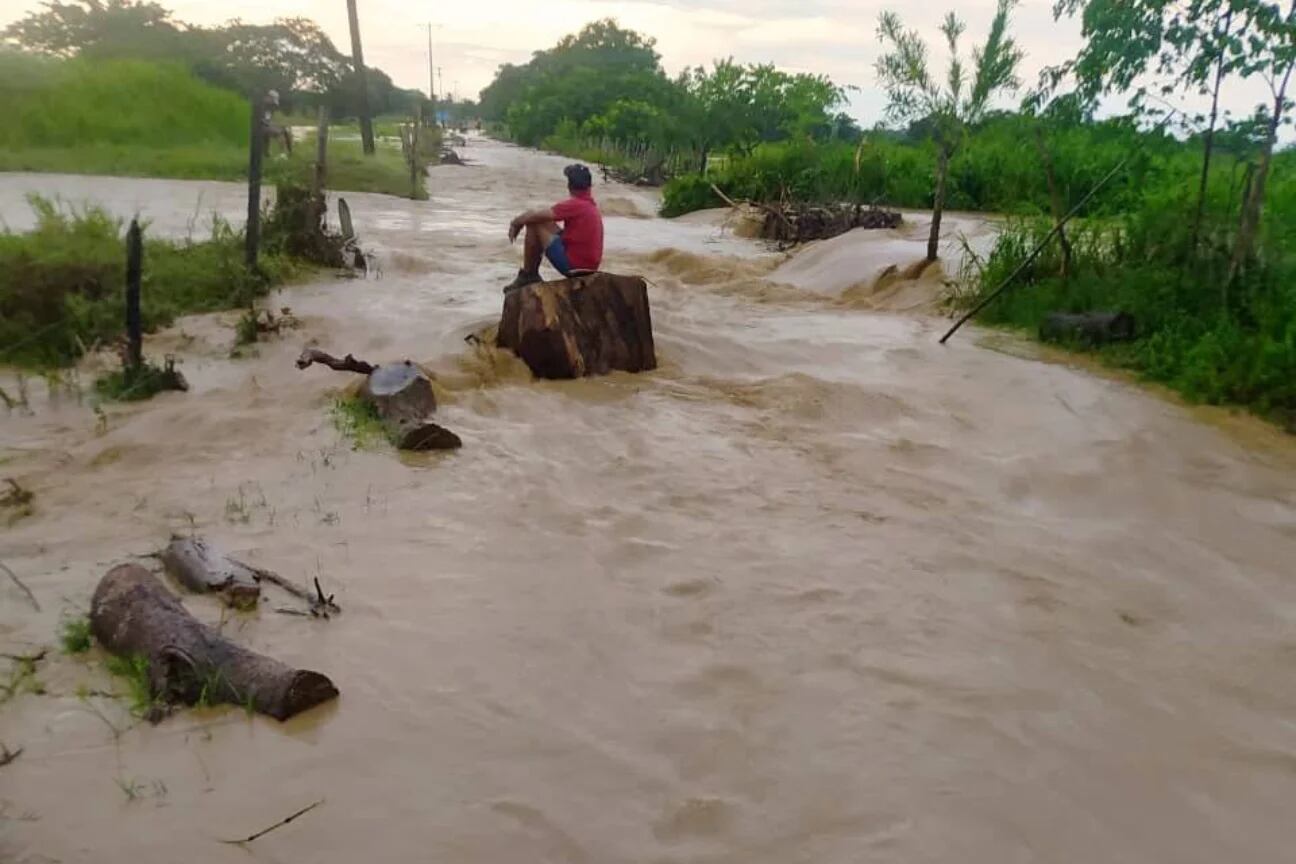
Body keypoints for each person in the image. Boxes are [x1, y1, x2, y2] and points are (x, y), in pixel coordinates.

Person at [503, 163, 603, 291]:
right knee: (542, 221)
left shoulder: (576, 205)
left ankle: (528, 275)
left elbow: (536, 216)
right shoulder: (590, 205)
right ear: (589, 187)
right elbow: (543, 216)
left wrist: (516, 222)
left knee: (534, 223)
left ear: (569, 186)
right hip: (588, 267)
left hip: (575, 268)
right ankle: (529, 274)